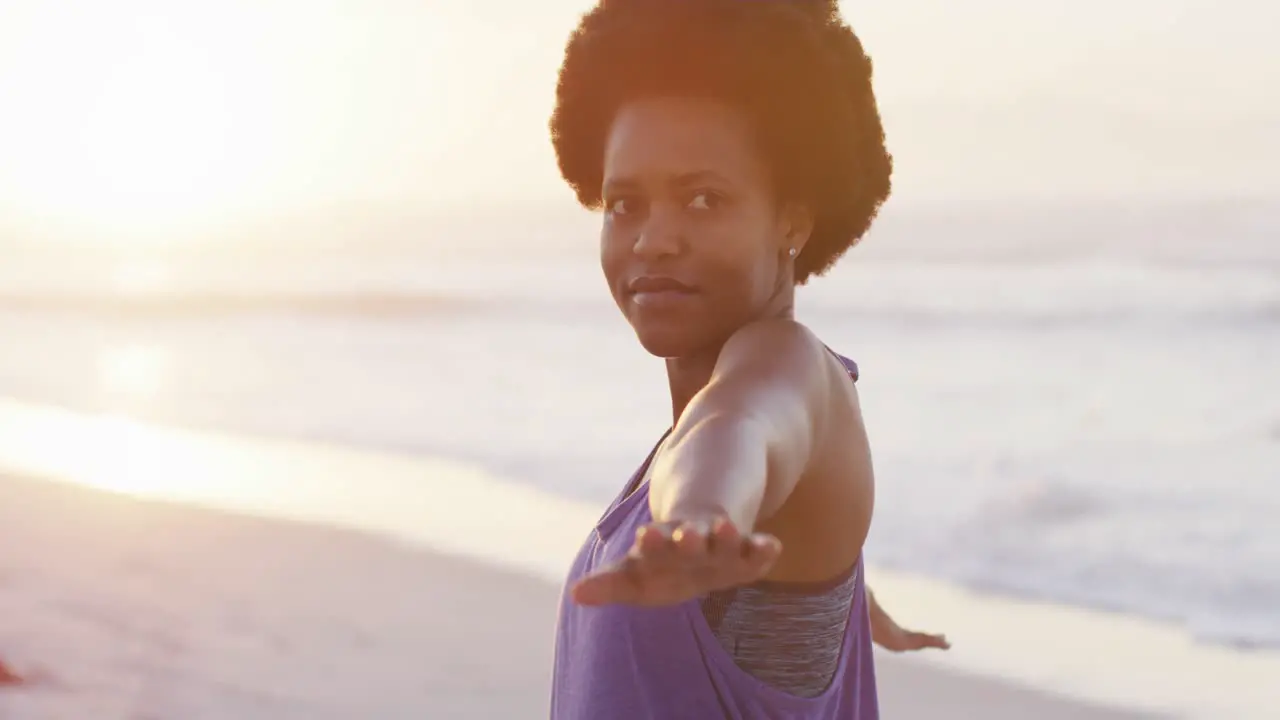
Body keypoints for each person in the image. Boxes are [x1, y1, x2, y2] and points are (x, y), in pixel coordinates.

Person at [547, 1, 945, 717]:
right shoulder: (733, 469)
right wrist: (834, 587)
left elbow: (742, 428)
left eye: (703, 200)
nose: (653, 240)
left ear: (793, 217)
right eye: (623, 204)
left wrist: (702, 518)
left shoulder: (789, 370)